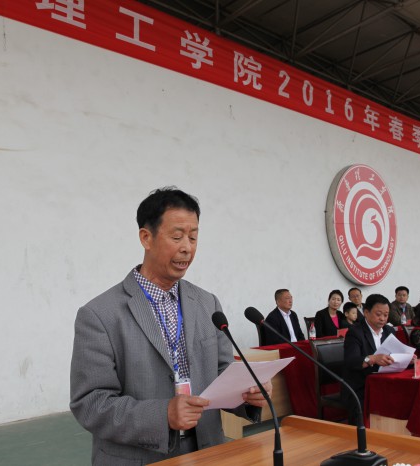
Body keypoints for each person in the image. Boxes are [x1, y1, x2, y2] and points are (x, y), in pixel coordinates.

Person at [69, 187, 270, 465]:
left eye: (193, 237)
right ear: (146, 237)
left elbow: (222, 372)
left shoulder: (207, 303)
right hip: (141, 458)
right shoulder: (100, 315)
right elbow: (91, 403)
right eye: (177, 237)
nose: (187, 247)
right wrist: (162, 414)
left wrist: (248, 394)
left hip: (207, 451)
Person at [342, 294, 396, 425]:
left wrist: (406, 358)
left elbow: (395, 353)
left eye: (386, 315)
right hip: (360, 387)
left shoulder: (389, 330)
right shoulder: (355, 332)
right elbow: (351, 362)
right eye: (378, 314)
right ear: (366, 313)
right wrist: (372, 359)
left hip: (384, 384)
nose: (382, 318)